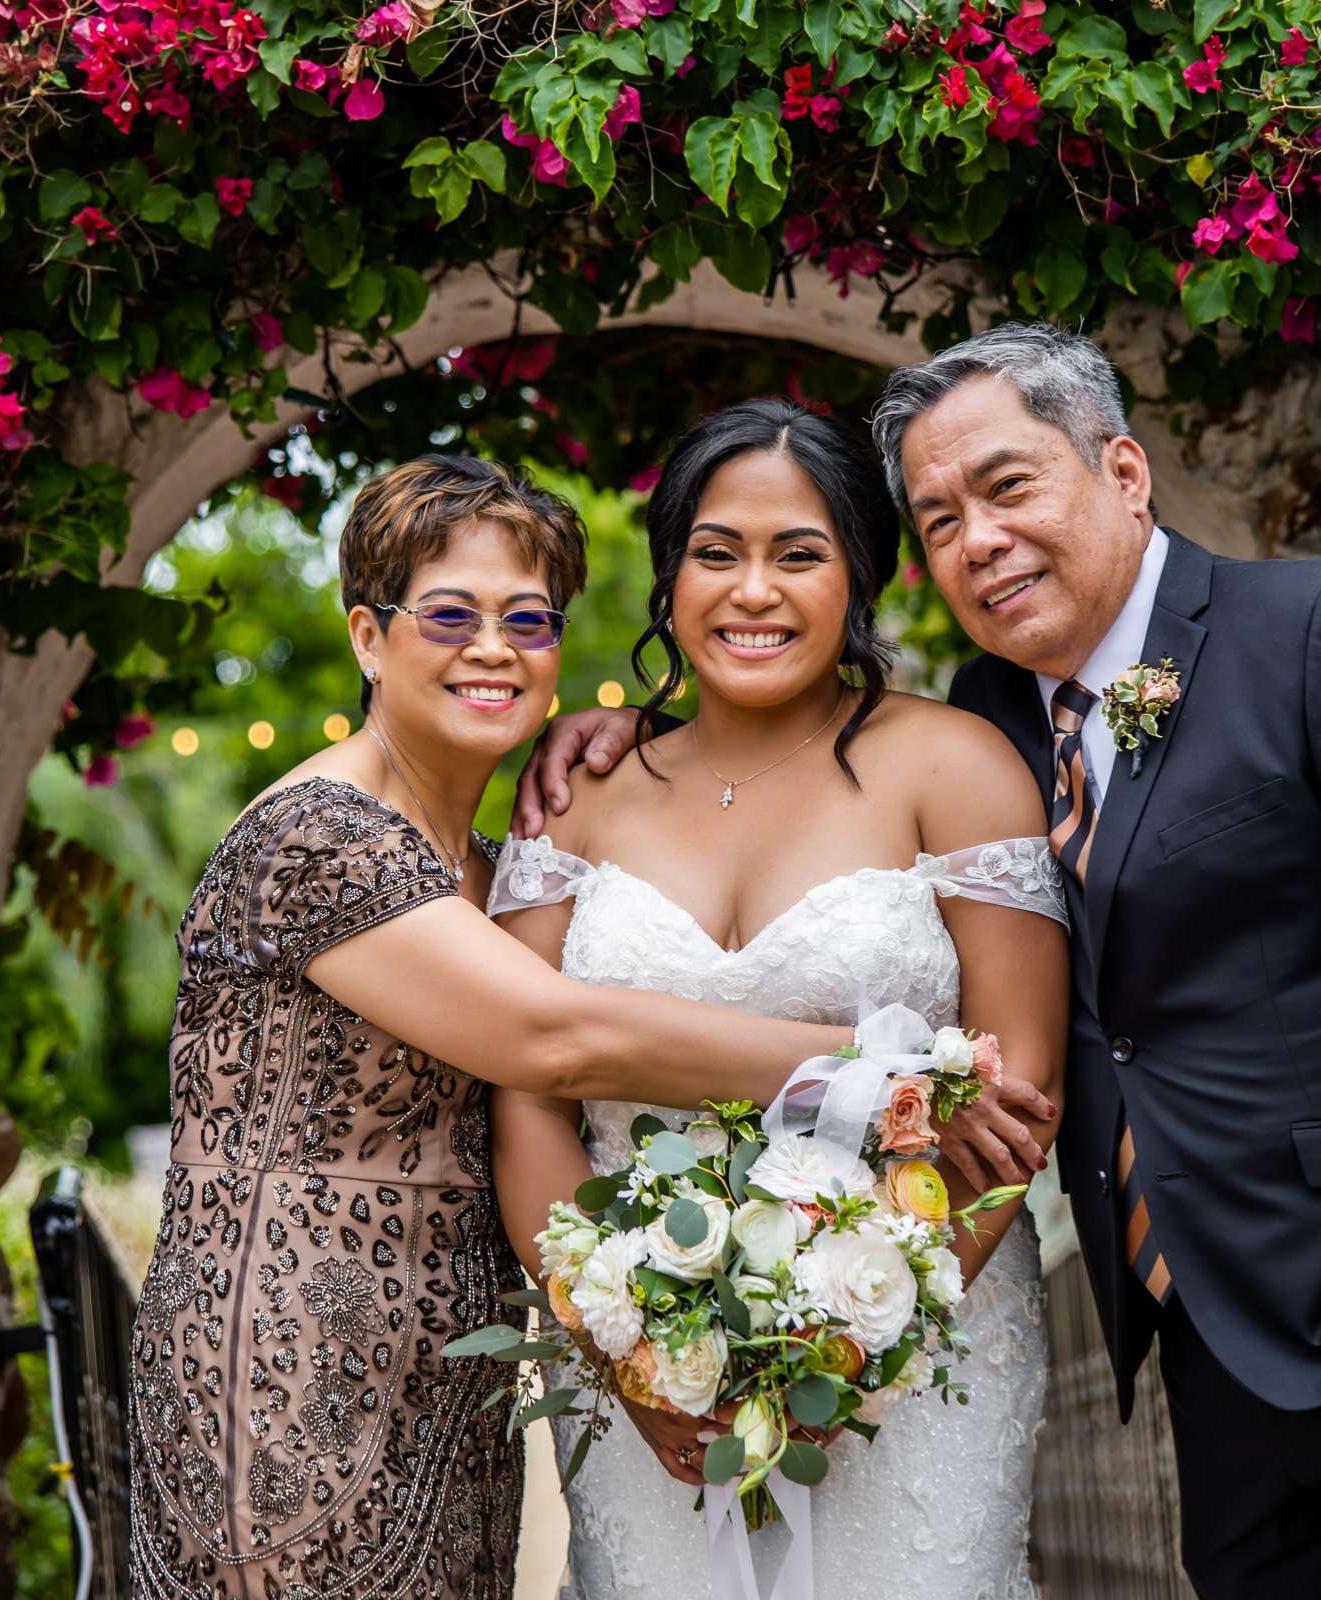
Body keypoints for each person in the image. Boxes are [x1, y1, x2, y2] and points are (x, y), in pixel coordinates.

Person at [517, 325, 1321, 1600]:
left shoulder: (1319, 630)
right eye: (940, 520)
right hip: (1213, 1339)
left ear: (1123, 471)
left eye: (1008, 487)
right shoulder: (1000, 717)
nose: (979, 540)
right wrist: (627, 725)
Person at [124, 455, 1040, 1600]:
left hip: (448, 1388)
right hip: (285, 1367)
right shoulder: (321, 835)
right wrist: (899, 1074)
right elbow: (553, 1039)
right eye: (449, 614)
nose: (494, 648)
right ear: (368, 635)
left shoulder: (487, 854)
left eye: (529, 619)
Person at [487, 398, 1069, 1599]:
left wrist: (857, 1351)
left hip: (918, 1359)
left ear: (859, 572)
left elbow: (1015, 1105)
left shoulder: (955, 766)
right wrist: (632, 1360)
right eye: (717, 552)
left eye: (798, 554)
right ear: (670, 574)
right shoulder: (575, 796)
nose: (753, 591)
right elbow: (524, 1094)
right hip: (639, 1369)